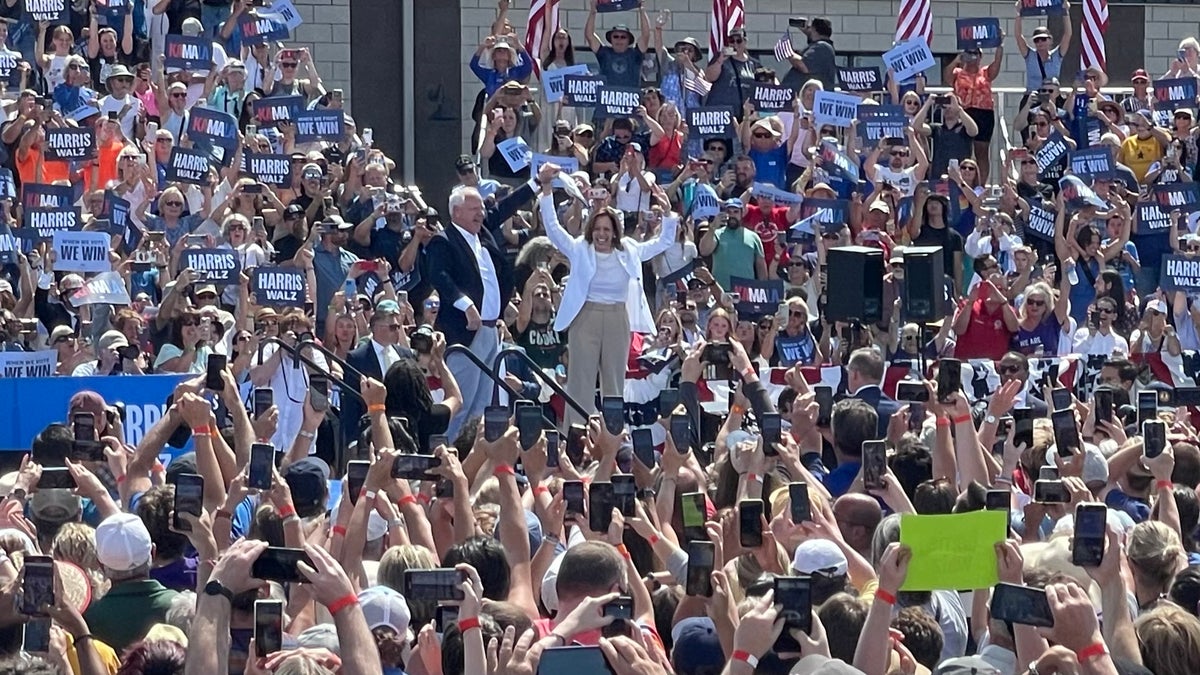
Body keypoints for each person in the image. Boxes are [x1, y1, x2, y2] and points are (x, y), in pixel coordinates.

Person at [537, 163, 677, 426]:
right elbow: (554, 230)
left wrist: (668, 213)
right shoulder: (580, 248)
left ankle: (611, 437)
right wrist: (546, 190)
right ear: (592, 230)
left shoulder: (629, 250)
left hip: (617, 318)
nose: (602, 234)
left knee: (614, 382)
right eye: (598, 229)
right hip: (585, 317)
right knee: (581, 381)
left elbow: (663, 242)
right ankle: (575, 439)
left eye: (607, 229)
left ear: (615, 232)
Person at [426, 183, 518, 439]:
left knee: (482, 406)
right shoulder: (443, 241)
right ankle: (446, 453)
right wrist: (466, 305)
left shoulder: (483, 237)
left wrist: (535, 184)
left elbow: (507, 206)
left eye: (481, 208)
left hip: (490, 330)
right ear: (456, 212)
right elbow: (439, 276)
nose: (481, 213)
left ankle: (469, 459)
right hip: (466, 333)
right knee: (461, 401)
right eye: (473, 209)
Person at [781, 17, 836, 91]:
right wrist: (807, 32)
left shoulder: (822, 47)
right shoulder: (821, 47)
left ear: (814, 29)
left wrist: (789, 52)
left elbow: (803, 66)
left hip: (809, 98)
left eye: (811, 28)